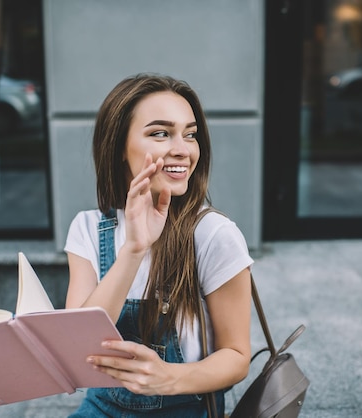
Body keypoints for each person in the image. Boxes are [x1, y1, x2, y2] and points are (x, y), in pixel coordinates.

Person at [64, 73, 254, 417]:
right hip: (102, 407)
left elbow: (238, 357)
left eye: (190, 134)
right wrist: (134, 250)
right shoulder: (89, 228)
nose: (182, 149)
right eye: (160, 133)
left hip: (186, 407)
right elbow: (78, 346)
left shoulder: (212, 233)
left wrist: (169, 377)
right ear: (120, 146)